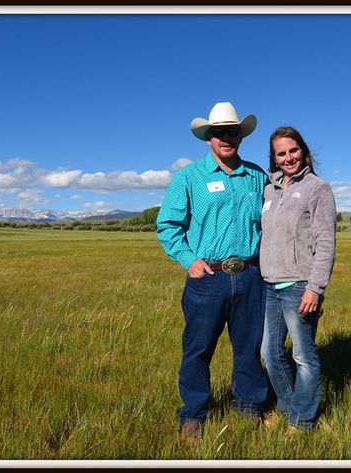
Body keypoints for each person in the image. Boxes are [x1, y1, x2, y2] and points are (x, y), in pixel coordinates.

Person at [156, 102, 270, 446]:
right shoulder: (188, 178)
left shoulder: (257, 177)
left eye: (232, 131)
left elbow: (271, 225)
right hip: (208, 278)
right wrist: (189, 260)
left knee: (248, 349)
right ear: (208, 137)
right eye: (219, 132)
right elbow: (168, 225)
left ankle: (250, 408)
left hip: (251, 276)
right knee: (198, 349)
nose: (226, 137)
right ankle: (193, 415)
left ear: (241, 135)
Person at [259, 126, 336, 433]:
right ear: (274, 158)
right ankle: (290, 407)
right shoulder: (270, 189)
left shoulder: (318, 188)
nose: (288, 157)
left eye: (293, 150)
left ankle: (302, 421)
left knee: (304, 356)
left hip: (299, 286)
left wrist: (315, 289)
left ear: (303, 151)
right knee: (269, 352)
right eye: (281, 153)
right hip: (269, 285)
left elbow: (325, 241)